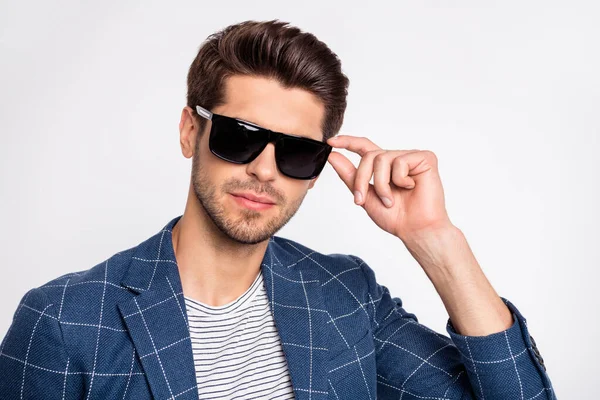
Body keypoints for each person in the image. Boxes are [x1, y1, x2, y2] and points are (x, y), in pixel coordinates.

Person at [0, 19, 556, 400]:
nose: (266, 171)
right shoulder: (65, 321)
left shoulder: (344, 295)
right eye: (241, 137)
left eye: (296, 152)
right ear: (191, 130)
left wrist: (436, 239)